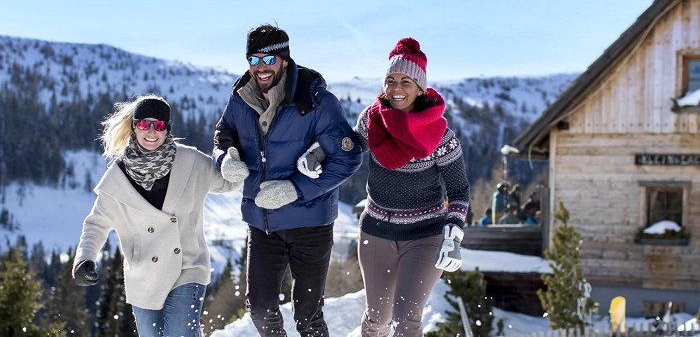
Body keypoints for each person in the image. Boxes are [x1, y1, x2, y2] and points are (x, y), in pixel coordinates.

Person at [301, 37, 470, 337]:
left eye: (405, 81)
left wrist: (453, 235)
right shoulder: (372, 120)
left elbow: (459, 192)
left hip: (425, 236)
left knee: (407, 318)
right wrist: (320, 151)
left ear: (420, 87)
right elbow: (350, 144)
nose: (396, 88)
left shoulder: (441, 137)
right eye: (390, 80)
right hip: (376, 232)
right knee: (378, 320)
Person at [212, 24, 362, 337]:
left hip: (311, 224)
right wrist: (227, 157)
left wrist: (295, 190)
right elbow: (224, 132)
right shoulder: (241, 98)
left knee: (308, 317)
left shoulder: (316, 100)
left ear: (284, 59)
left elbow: (348, 157)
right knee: (260, 309)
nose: (261, 68)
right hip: (263, 222)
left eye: (269, 60)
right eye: (254, 60)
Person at [73, 95, 239, 336]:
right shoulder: (117, 178)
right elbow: (96, 223)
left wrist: (235, 160)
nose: (151, 132)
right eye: (144, 124)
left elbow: (227, 182)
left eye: (159, 125)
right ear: (134, 126)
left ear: (167, 128)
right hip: (144, 277)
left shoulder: (191, 162)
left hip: (188, 267)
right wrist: (84, 258)